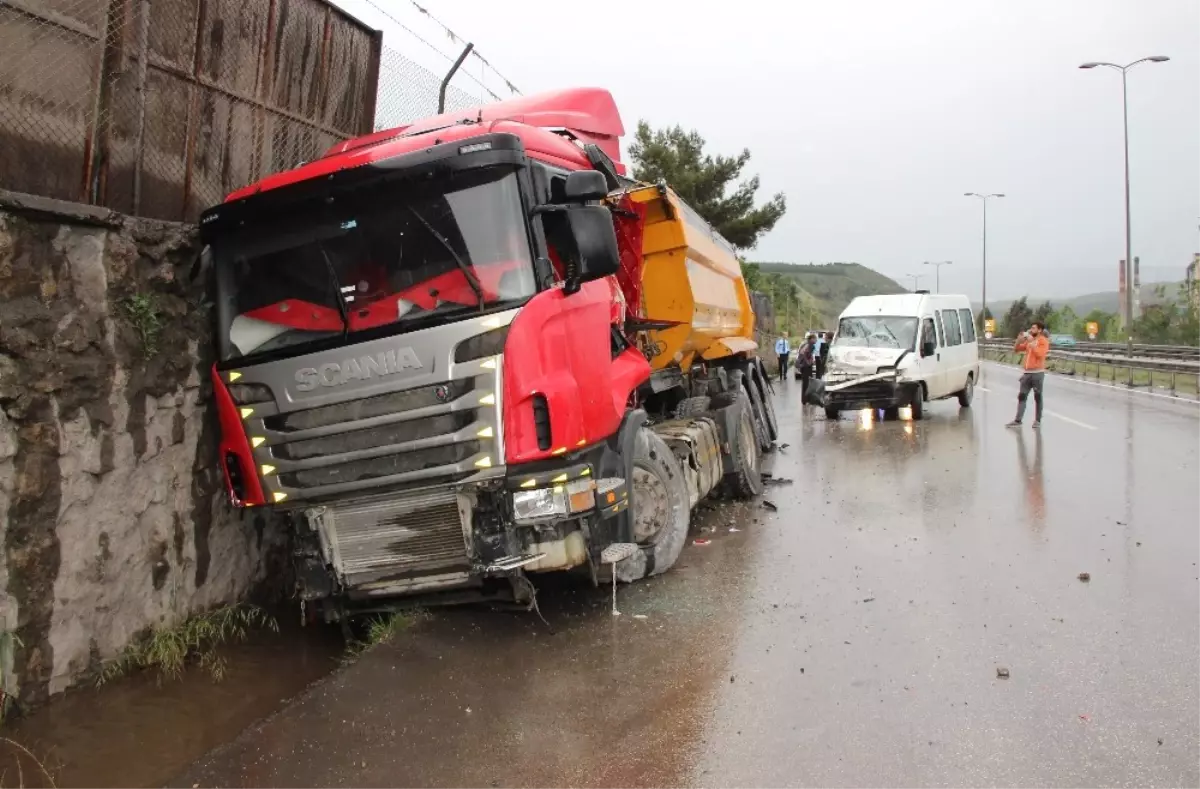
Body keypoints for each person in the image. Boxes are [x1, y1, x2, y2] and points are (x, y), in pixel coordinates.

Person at [1007, 321, 1050, 429]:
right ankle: (1018, 420)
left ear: (1039, 330)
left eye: (1034, 328)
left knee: (1038, 397)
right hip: (1026, 373)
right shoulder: (1029, 341)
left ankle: (1037, 420)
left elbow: (1040, 354)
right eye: (1031, 328)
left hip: (1037, 373)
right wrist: (1018, 340)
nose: (1031, 330)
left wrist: (1032, 344)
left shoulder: (1043, 341)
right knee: (1022, 396)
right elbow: (1016, 350)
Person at [797, 333, 817, 399]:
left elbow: (808, 354)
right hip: (805, 367)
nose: (816, 340)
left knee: (808, 382)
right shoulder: (808, 344)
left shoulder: (809, 344)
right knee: (806, 383)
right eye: (815, 339)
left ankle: (806, 398)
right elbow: (803, 353)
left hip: (806, 366)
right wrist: (808, 362)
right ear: (811, 339)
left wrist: (811, 360)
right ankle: (805, 399)